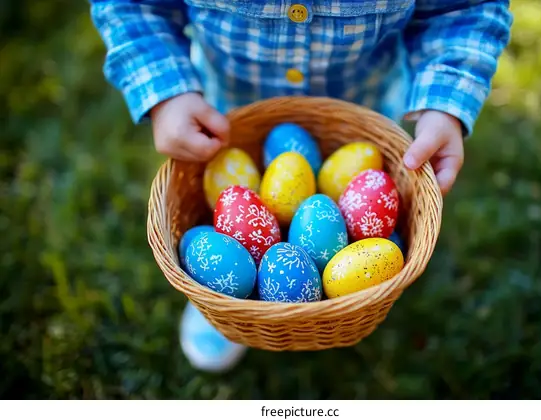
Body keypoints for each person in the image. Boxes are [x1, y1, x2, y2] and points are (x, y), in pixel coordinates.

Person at [89, 0, 513, 372]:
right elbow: (132, 4)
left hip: (362, 116)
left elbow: (462, 8)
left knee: (334, 239)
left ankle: (330, 305)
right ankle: (227, 303)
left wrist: (446, 101)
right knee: (230, 261)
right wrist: (165, 91)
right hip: (225, 117)